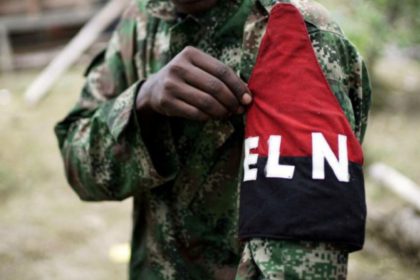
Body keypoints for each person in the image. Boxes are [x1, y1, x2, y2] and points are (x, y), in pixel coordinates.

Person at [54, 0, 371, 279]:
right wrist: (142, 102)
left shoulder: (294, 31)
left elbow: (302, 260)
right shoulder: (142, 18)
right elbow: (79, 168)